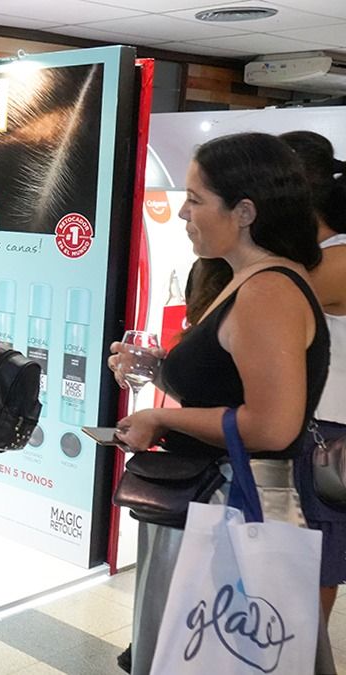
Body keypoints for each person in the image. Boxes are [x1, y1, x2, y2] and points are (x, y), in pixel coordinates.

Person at [108, 132, 332, 674]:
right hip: (213, 501)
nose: (182, 211)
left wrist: (161, 415)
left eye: (195, 198)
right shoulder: (243, 281)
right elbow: (227, 389)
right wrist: (160, 370)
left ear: (245, 211)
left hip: (232, 504)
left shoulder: (267, 291)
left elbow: (274, 426)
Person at [281, 130, 346, 622]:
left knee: (315, 561)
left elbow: (259, 304)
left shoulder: (337, 260)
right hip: (314, 425)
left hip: (329, 433)